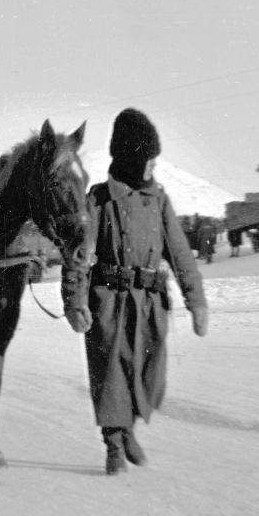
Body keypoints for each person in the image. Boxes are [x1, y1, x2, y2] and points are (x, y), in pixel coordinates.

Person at [81, 109, 208, 475]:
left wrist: (196, 301)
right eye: (148, 159)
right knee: (112, 375)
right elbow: (78, 258)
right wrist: (75, 302)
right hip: (108, 302)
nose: (153, 167)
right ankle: (114, 443)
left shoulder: (159, 200)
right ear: (131, 159)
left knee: (148, 373)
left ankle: (129, 427)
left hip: (150, 303)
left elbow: (181, 253)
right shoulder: (99, 200)